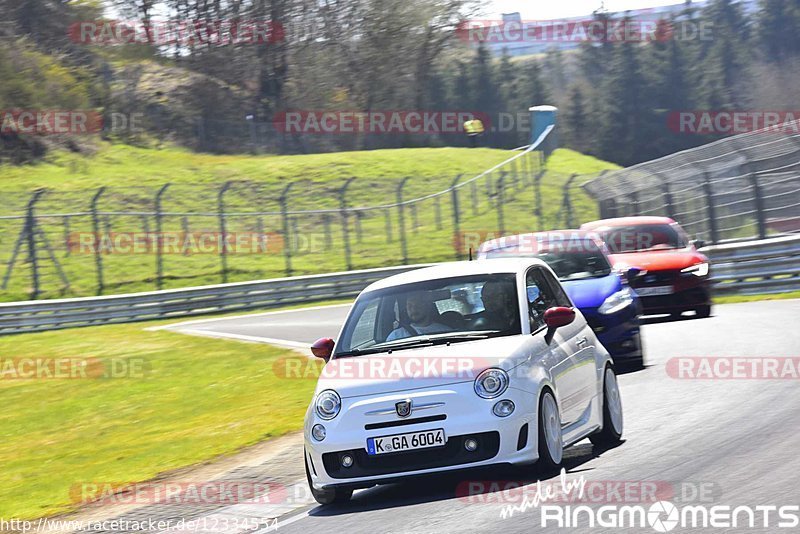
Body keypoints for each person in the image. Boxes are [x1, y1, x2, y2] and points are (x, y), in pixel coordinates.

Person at [386, 291, 452, 341]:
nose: (414, 309)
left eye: (418, 305)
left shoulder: (446, 332)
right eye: (410, 306)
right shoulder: (396, 336)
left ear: (427, 306)